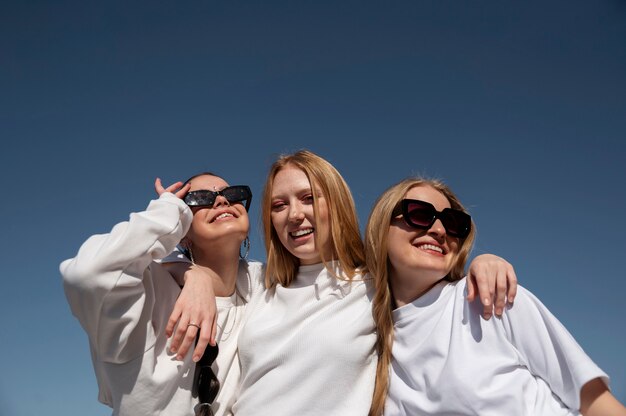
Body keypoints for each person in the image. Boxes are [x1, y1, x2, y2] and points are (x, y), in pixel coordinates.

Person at [169, 150, 519, 415]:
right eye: (279, 205)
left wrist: (484, 261)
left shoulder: (375, 283)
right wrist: (193, 273)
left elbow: (432, 269)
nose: (295, 214)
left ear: (335, 203)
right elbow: (186, 267)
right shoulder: (259, 283)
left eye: (309, 198)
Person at [364, 177, 626, 415]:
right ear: (382, 227)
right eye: (419, 214)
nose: (440, 230)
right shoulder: (368, 342)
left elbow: (595, 402)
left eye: (454, 223)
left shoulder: (491, 297)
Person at [61, 173, 264, 416]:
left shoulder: (261, 291)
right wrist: (166, 211)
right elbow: (88, 273)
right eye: (201, 198)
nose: (222, 202)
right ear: (184, 232)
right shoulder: (148, 295)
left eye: (233, 195)